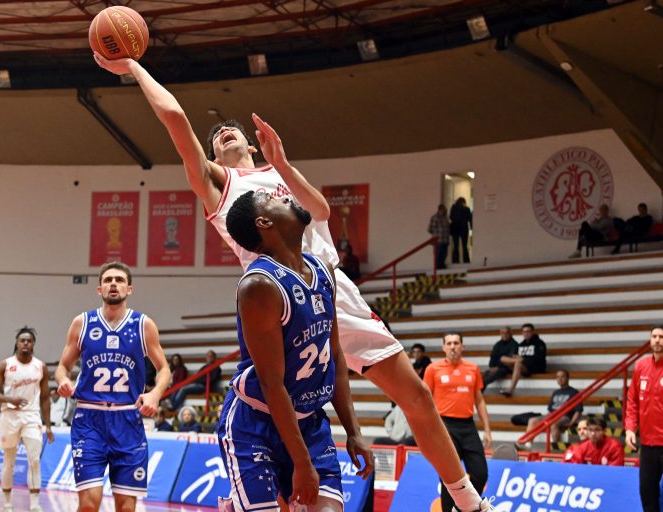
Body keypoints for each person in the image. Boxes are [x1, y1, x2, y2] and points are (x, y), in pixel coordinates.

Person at [93, 53, 494, 512]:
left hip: (330, 287)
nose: (223, 132)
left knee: (416, 394)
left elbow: (320, 211)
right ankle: (251, 489)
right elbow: (176, 119)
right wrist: (133, 67)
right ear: (213, 156)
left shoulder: (278, 177)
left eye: (231, 130)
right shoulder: (219, 186)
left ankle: (469, 503)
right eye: (216, 137)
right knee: (278, 412)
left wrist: (281, 163)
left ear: (251, 143)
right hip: (281, 298)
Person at [216, 190, 373, 512]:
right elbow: (272, 384)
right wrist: (301, 463)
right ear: (264, 222)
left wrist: (353, 431)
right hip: (254, 424)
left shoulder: (323, 271)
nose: (285, 197)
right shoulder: (259, 286)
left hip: (309, 422)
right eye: (273, 199)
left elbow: (334, 355)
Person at [54, 261, 171, 512]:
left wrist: (154, 394)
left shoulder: (143, 325)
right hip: (89, 420)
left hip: (127, 419)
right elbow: (62, 367)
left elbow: (164, 369)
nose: (113, 284)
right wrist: (63, 380)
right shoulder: (82, 323)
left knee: (126, 507)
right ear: (99, 289)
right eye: (108, 280)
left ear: (130, 289)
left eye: (119, 280)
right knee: (89, 503)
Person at [424, 333, 491, 512]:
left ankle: (465, 508)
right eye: (449, 343)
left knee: (480, 473)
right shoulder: (433, 369)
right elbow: (424, 400)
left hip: (468, 426)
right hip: (444, 426)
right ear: (443, 347)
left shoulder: (472, 369)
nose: (452, 346)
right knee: (449, 477)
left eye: (456, 343)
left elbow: (479, 400)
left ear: (462, 346)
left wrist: (487, 429)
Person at [0, 326, 53, 512]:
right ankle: (7, 503)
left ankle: (34, 504)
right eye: (22, 340)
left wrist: (48, 425)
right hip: (10, 415)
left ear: (33, 344)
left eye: (29, 341)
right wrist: (10, 399)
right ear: (17, 343)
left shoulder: (40, 366)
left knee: (34, 460)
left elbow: (45, 398)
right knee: (9, 461)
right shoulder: (5, 364)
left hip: (31, 416)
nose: (26, 343)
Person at [625, 325, 663, 512]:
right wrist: (630, 429)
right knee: (647, 494)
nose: (657, 340)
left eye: (662, 337)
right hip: (648, 445)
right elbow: (632, 400)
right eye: (654, 336)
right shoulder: (641, 366)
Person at [517, 370, 583, 447]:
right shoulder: (556, 392)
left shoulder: (574, 392)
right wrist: (545, 419)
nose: (560, 379)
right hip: (552, 415)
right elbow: (550, 410)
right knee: (532, 420)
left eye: (562, 376)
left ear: (568, 378)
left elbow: (578, 410)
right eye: (557, 377)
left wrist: (571, 423)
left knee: (553, 423)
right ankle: (528, 443)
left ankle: (556, 447)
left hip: (565, 416)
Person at [498, 324, 547, 397]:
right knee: (503, 358)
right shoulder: (521, 344)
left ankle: (510, 390)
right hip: (523, 366)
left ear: (533, 332)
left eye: (528, 331)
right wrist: (516, 358)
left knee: (517, 363)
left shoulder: (539, 343)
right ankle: (517, 364)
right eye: (524, 332)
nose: (526, 333)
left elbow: (540, 358)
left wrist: (523, 359)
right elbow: (517, 356)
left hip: (535, 367)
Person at [449, 197, 472, 264]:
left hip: (455, 228)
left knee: (456, 246)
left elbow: (451, 217)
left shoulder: (453, 208)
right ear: (463, 202)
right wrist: (471, 227)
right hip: (464, 228)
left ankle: (455, 261)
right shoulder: (467, 209)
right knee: (464, 246)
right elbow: (469, 218)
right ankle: (466, 261)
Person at [428, 204, 450, 269]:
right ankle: (438, 267)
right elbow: (430, 229)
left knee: (444, 254)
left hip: (445, 240)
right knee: (438, 254)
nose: (446, 210)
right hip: (438, 240)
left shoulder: (446, 218)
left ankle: (442, 266)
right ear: (441, 209)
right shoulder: (435, 218)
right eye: (445, 209)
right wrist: (437, 234)